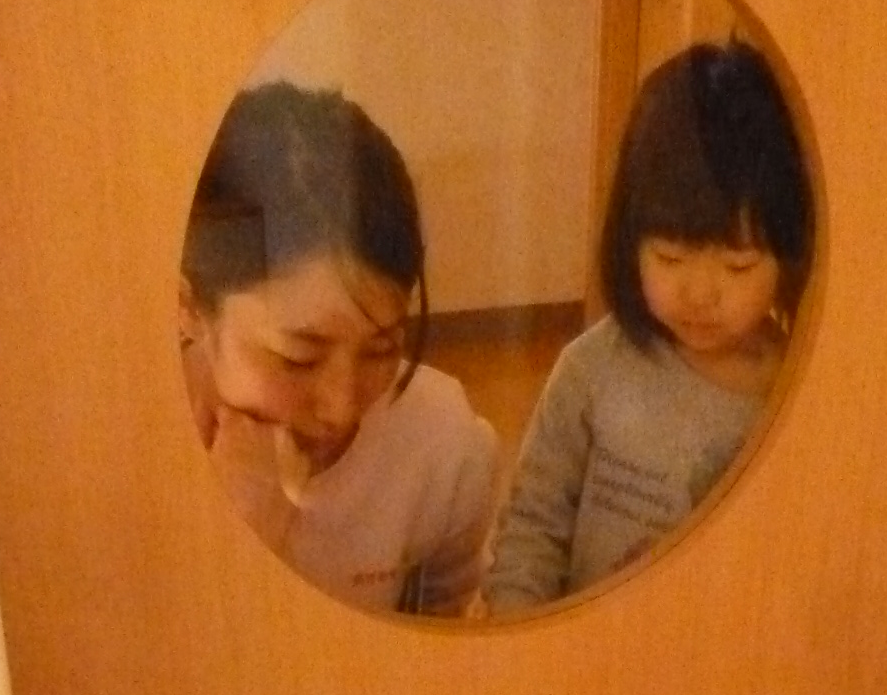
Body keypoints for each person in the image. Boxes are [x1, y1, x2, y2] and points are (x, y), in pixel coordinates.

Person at [484, 38, 812, 612]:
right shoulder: (591, 371)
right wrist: (518, 630)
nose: (700, 295)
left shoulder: (797, 394)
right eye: (670, 257)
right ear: (628, 241)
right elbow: (532, 527)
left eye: (738, 265)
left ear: (788, 256)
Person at [179, 83, 499, 616]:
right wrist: (241, 533)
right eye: (299, 358)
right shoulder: (119, 449)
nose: (342, 407)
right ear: (190, 309)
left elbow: (441, 622)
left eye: (381, 349)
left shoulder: (443, 445)